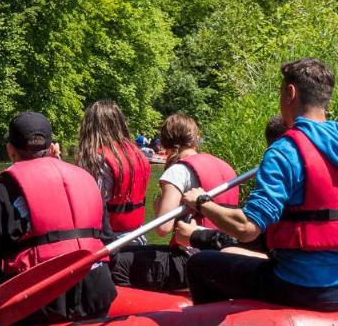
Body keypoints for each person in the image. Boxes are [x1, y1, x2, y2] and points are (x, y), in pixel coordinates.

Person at [184, 58, 338, 311]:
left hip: (300, 287)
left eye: (280, 92)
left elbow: (247, 228)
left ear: (290, 93)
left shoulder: (285, 151)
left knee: (199, 264)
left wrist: (202, 203)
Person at [0, 112, 117, 323]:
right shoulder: (86, 178)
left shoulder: (5, 189)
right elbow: (109, 243)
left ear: (10, 150)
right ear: (51, 148)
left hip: (39, 302)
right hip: (97, 293)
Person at [109, 113, 242, 293]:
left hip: (191, 261)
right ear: (195, 139)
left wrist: (157, 208)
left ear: (165, 143)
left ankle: (131, 313)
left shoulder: (178, 171)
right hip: (225, 257)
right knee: (140, 253)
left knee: (115, 262)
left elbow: (162, 229)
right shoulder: (226, 167)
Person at [76, 100, 151, 240]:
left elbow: (91, 204)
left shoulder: (97, 158)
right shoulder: (138, 153)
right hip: (138, 234)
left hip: (109, 238)